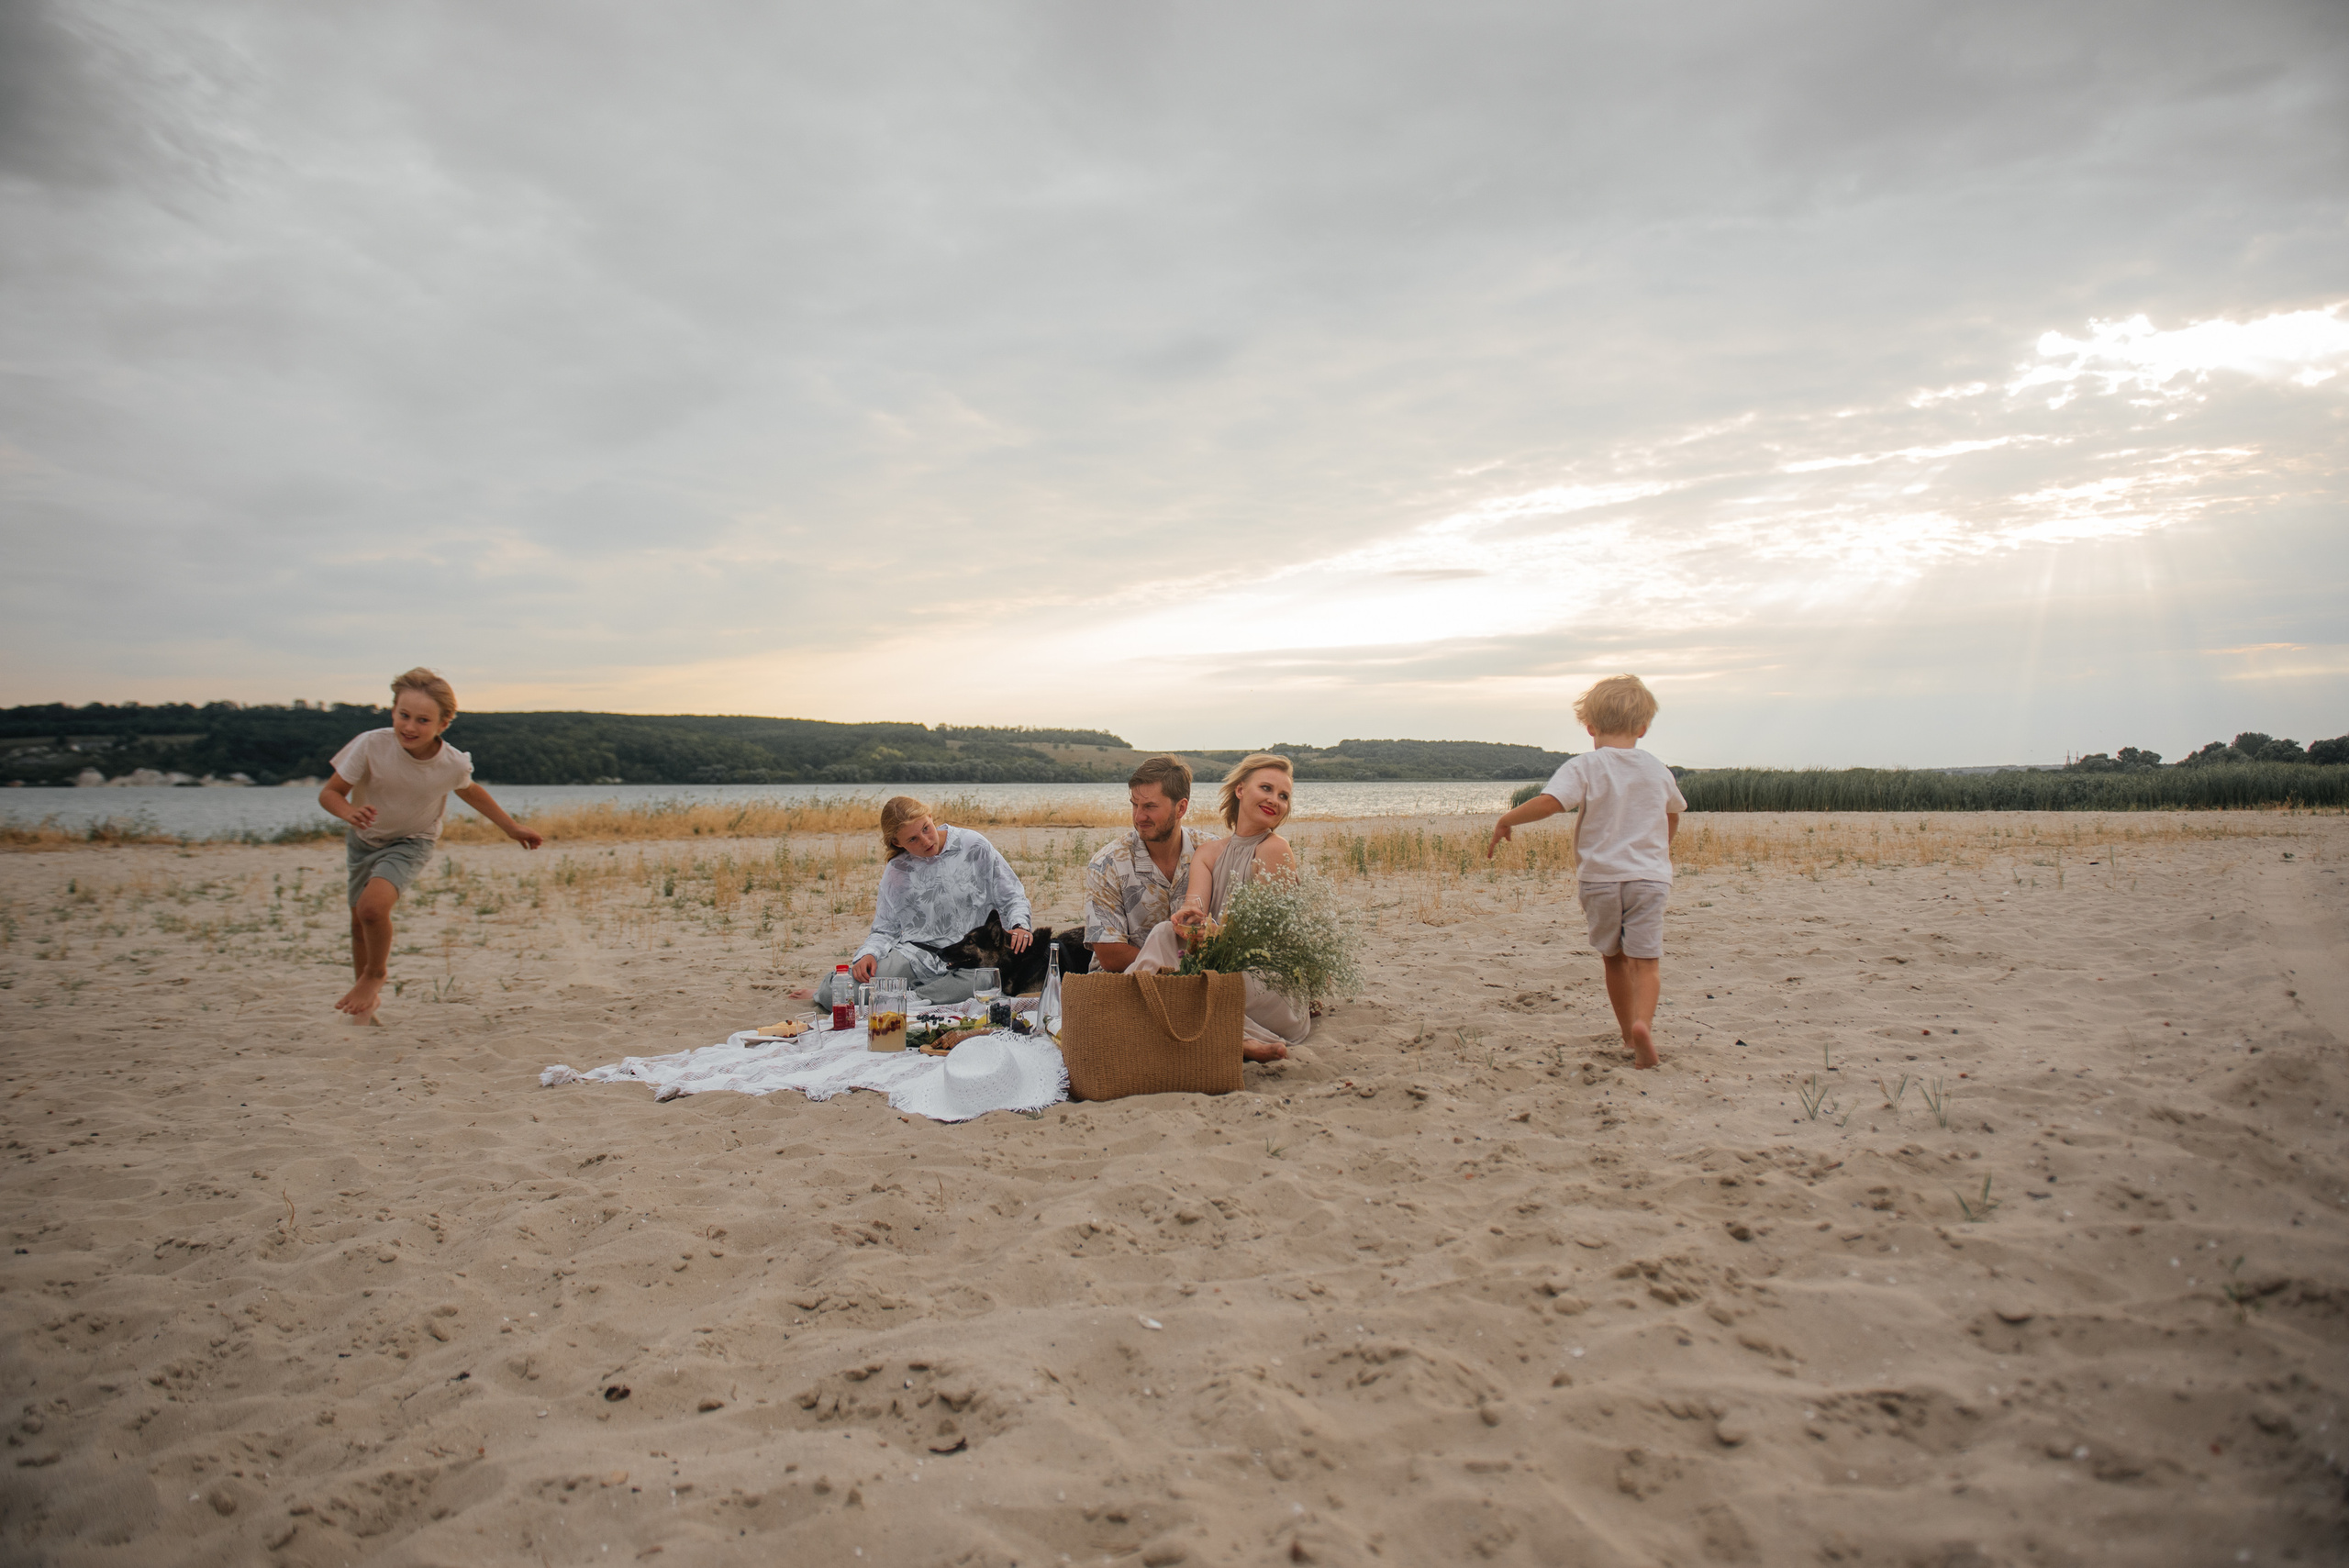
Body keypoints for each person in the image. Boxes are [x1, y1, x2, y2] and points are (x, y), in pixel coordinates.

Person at [318, 667, 542, 1024]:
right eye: (403, 715)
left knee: (373, 909)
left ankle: (375, 975)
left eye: (423, 720)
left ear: (443, 725)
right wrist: (349, 812)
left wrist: (511, 827)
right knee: (360, 922)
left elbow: (472, 792)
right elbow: (330, 793)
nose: (410, 727)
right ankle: (367, 1000)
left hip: (412, 841)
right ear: (392, 711)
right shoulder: (370, 745)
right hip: (363, 841)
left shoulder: (451, 762)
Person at [1486, 673, 1684, 1070]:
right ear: (1644, 727)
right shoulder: (1657, 769)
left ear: (1589, 726)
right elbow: (1671, 815)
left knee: (1613, 958)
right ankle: (1645, 1024)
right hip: (1649, 879)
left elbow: (1550, 803)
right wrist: (1657, 850)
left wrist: (1507, 818)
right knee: (1646, 963)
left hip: (1601, 880)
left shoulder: (1585, 767)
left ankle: (1628, 1035)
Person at [1129, 752, 1309, 1062]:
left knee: (1193, 982)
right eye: (1265, 788)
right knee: (1163, 933)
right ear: (1240, 790)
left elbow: (1265, 939)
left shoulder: (1275, 848)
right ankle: (1228, 1037)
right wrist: (1189, 921)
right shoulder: (1209, 853)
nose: (1275, 801)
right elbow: (1195, 907)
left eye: (1283, 796)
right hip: (1219, 968)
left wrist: (1214, 937)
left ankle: (1227, 1034)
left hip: (1262, 980)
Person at [807, 796, 1035, 1011]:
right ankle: (920, 996)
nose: (926, 841)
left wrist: (1020, 926)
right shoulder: (896, 871)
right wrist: (868, 955)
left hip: (972, 958)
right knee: (834, 993)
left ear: (931, 817)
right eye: (913, 839)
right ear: (897, 842)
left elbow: (1012, 896)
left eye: (926, 828)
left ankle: (907, 998)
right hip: (917, 958)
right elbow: (885, 929)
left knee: (986, 982)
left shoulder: (973, 845)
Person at [1082, 755, 1218, 974]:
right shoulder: (1107, 863)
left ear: (1181, 808)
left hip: (1198, 984)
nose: (1139, 816)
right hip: (1121, 985)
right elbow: (1110, 954)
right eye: (1134, 805)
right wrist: (1177, 970)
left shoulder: (1212, 852)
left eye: (1150, 806)